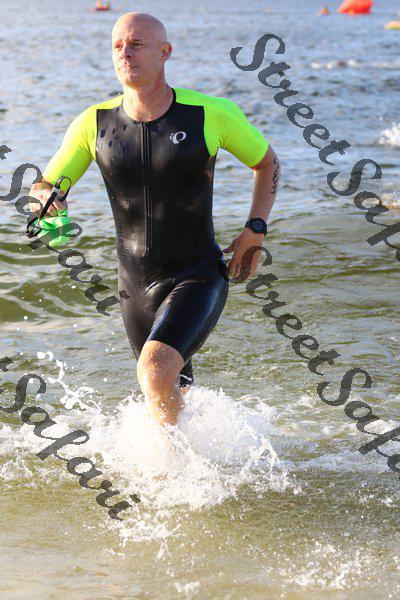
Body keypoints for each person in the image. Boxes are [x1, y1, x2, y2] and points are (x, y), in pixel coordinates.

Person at [28, 12, 280, 426]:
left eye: (136, 44)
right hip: (133, 286)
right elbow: (47, 184)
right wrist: (45, 200)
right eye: (117, 46)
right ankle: (205, 461)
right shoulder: (94, 123)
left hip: (197, 273)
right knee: (170, 393)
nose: (125, 53)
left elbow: (267, 163)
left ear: (165, 52)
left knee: (154, 371)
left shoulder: (208, 114)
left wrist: (255, 229)